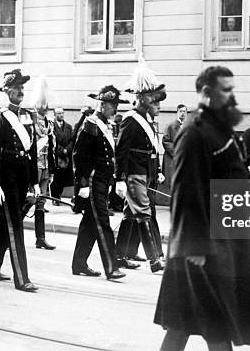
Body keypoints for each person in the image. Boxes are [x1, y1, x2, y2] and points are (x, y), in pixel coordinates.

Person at [154, 66, 250, 351]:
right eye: (225, 89)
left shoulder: (217, 128)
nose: (231, 95)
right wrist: (195, 247)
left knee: (186, 324)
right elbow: (186, 191)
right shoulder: (194, 132)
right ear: (205, 93)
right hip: (201, 249)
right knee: (215, 324)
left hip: (217, 241)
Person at [0, 69, 39, 292]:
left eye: (22, 87)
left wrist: (35, 181)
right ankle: (22, 277)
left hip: (23, 174)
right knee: (15, 226)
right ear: (5, 91)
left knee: (9, 223)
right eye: (15, 87)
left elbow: (32, 150)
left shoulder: (27, 115)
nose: (20, 91)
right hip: (6, 176)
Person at [115, 59, 167, 273]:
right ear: (143, 98)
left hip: (145, 174)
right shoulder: (131, 120)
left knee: (130, 214)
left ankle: (119, 254)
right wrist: (120, 179)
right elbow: (122, 151)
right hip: (134, 174)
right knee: (145, 212)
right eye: (154, 101)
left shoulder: (146, 120)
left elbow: (151, 152)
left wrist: (157, 173)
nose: (158, 105)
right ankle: (155, 260)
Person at [71, 85, 128, 280]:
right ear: (102, 105)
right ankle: (111, 267)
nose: (115, 109)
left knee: (90, 223)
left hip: (103, 181)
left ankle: (79, 263)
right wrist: (84, 183)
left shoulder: (106, 124)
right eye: (113, 106)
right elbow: (80, 156)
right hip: (94, 182)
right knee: (103, 222)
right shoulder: (91, 123)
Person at [29, 76, 56, 250]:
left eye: (46, 106)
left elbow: (52, 148)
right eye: (42, 105)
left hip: (45, 166)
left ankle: (40, 238)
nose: (44, 108)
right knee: (29, 200)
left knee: (41, 202)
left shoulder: (49, 123)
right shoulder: (30, 121)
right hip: (34, 167)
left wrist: (51, 170)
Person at [161, 104, 186, 193]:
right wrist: (176, 152)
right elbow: (165, 141)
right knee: (172, 179)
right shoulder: (171, 126)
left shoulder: (186, 127)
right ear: (177, 112)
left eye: (184, 112)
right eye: (181, 111)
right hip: (171, 157)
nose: (182, 114)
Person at [51, 107, 74, 202]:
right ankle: (55, 197)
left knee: (65, 178)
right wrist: (60, 150)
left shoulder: (68, 126)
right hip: (56, 155)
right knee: (56, 178)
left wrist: (67, 150)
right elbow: (52, 140)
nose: (61, 115)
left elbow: (72, 140)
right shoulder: (52, 126)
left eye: (62, 113)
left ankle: (59, 195)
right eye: (58, 113)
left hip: (66, 156)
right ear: (55, 115)